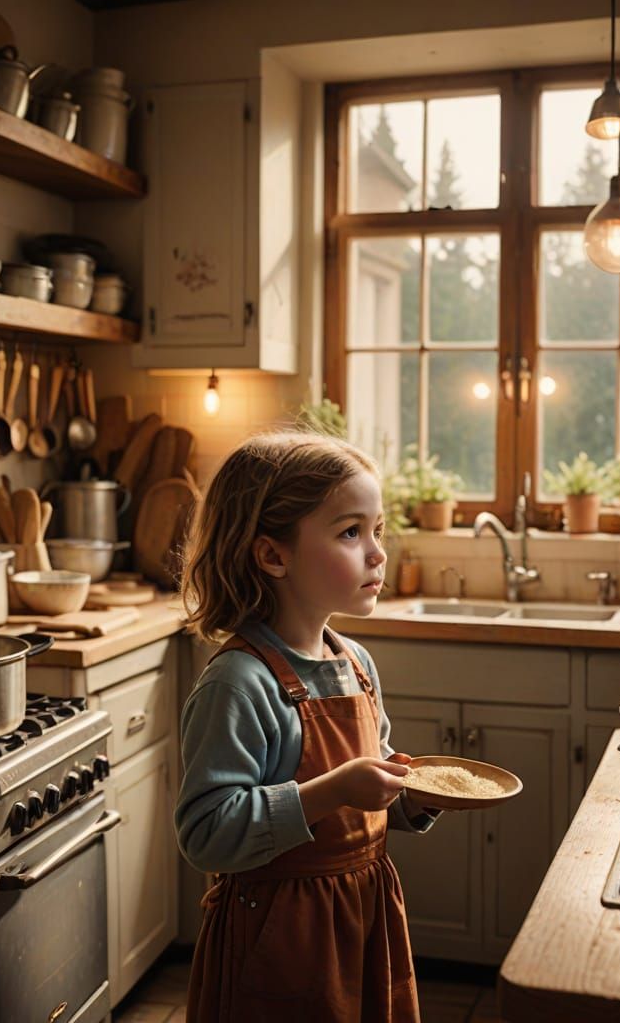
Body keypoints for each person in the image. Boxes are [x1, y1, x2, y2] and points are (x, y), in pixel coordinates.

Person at [176, 429, 438, 1022]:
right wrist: (338, 788)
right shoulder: (239, 684)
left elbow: (363, 793)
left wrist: (411, 794)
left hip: (360, 917)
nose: (377, 554)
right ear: (273, 555)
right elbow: (205, 834)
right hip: (277, 939)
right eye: (350, 532)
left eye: (378, 531)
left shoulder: (356, 665)